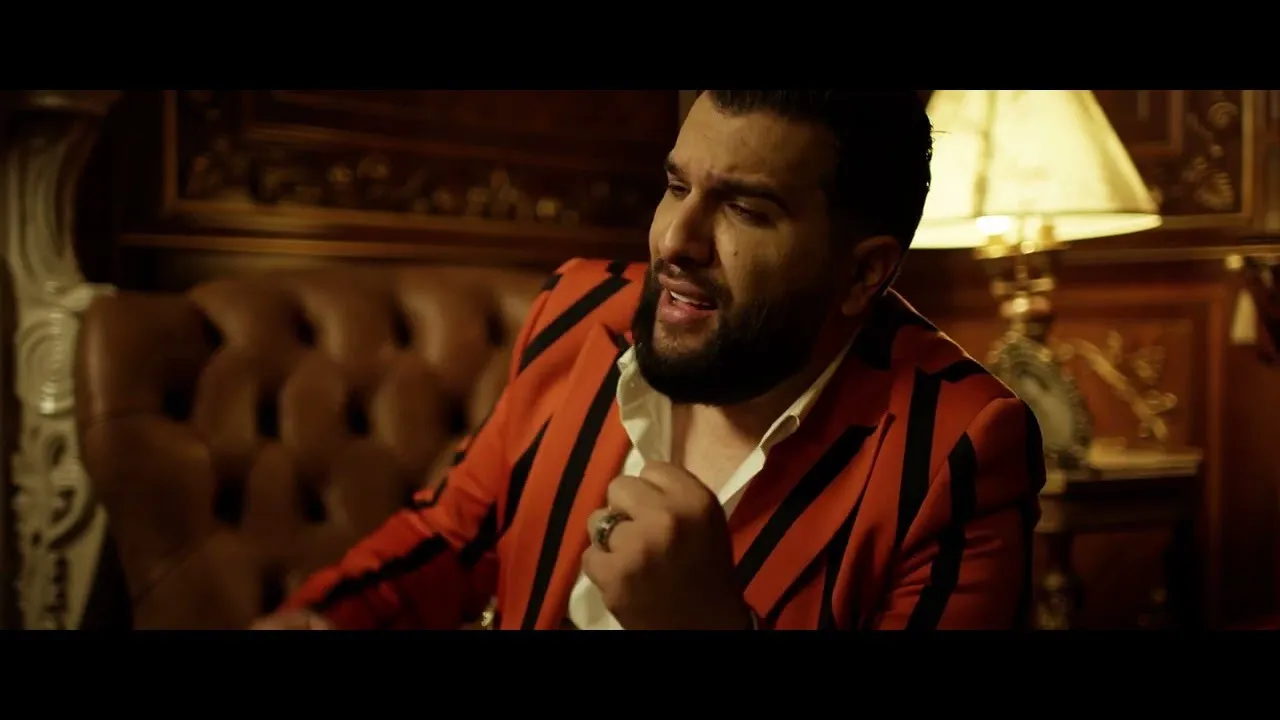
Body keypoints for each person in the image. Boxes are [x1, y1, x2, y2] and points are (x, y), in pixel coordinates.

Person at [252, 90, 1045, 631]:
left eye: (745, 208)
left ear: (863, 272)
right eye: (676, 187)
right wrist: (314, 618)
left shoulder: (959, 446)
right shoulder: (577, 311)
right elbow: (451, 537)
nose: (675, 241)